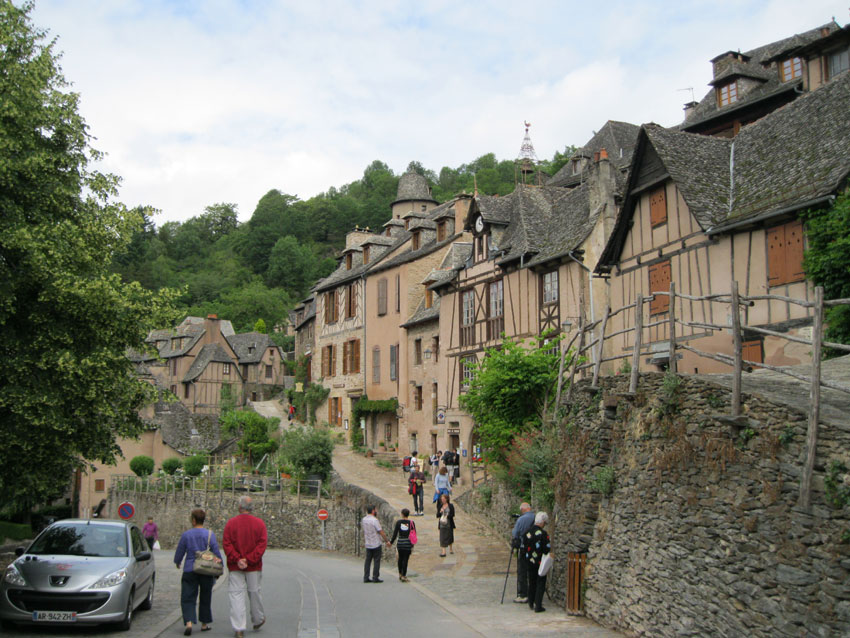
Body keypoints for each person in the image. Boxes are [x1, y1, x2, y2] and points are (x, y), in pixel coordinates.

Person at [223, 495, 268, 638]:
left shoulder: (230, 524)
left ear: (239, 507)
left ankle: (239, 627)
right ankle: (258, 619)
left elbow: (227, 544)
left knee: (236, 595)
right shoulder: (259, 524)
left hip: (235, 566)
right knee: (254, 592)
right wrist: (249, 560)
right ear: (252, 508)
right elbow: (262, 545)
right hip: (253, 566)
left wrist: (237, 559)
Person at [174, 509, 223, 636]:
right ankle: (204, 623)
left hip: (190, 569)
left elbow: (180, 550)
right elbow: (216, 551)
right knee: (205, 596)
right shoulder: (209, 534)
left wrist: (177, 561)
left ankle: (189, 622)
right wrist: (220, 565)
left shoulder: (187, 535)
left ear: (193, 520)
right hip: (206, 569)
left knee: (188, 596)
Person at [523, 511, 551, 613]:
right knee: (540, 582)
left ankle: (531, 602)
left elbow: (524, 546)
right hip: (540, 561)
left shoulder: (527, 532)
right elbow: (546, 549)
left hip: (529, 560)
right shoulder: (543, 534)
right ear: (543, 522)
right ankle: (538, 605)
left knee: (532, 581)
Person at [511, 503, 535, 603]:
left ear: (523, 510)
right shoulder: (535, 517)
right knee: (532, 571)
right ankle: (533, 593)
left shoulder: (521, 519)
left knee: (522, 571)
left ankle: (523, 594)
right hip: (534, 549)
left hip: (523, 548)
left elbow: (515, 533)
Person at [361, 504, 391, 583]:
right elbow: (381, 531)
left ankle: (366, 576)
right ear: (373, 511)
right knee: (376, 560)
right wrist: (386, 541)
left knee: (368, 561)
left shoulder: (364, 519)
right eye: (375, 510)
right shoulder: (374, 520)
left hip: (368, 543)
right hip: (376, 543)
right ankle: (375, 577)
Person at [389, 508, 416, 582]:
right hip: (407, 543)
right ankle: (404, 575)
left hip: (400, 542)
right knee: (405, 560)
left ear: (402, 514)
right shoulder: (411, 523)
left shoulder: (399, 522)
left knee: (400, 559)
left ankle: (400, 574)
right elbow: (414, 534)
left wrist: (391, 542)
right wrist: (412, 544)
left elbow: (395, 534)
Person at [436, 493, 455, 557]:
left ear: (447, 499)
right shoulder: (440, 506)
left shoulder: (451, 506)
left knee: (450, 536)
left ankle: (451, 548)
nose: (443, 500)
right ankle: (443, 552)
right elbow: (437, 515)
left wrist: (446, 514)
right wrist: (440, 512)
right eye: (442, 499)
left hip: (449, 523)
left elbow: (452, 515)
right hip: (442, 523)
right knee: (442, 537)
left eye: (444, 499)